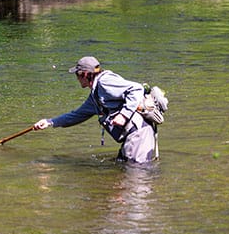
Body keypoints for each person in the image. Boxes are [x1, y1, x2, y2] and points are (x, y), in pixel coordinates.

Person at [33, 56, 165, 163]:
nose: (77, 78)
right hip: (133, 135)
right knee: (122, 170)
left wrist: (123, 115)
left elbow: (136, 88)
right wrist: (49, 122)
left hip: (139, 134)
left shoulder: (104, 82)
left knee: (136, 176)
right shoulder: (95, 96)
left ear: (85, 74)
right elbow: (76, 115)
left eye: (77, 74)